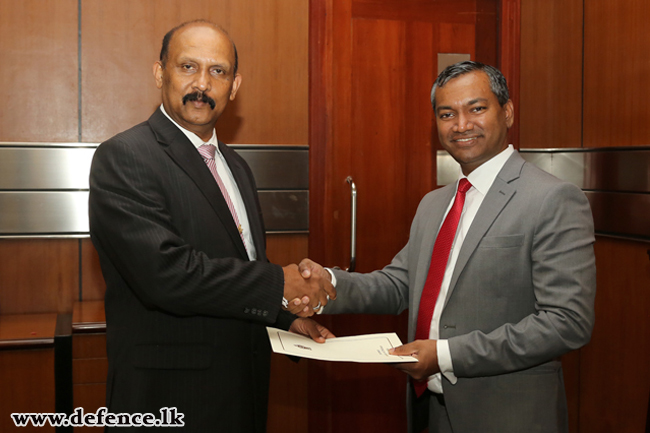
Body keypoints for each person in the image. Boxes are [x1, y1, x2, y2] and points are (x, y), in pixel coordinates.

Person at [300, 61, 596, 433]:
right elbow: (399, 285)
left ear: (507, 112)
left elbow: (567, 323)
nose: (461, 125)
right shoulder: (434, 204)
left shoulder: (552, 199)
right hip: (429, 410)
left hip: (508, 415)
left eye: (476, 108)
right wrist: (326, 282)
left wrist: (445, 354)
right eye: (446, 113)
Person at [89, 20, 334, 432]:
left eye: (217, 71)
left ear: (234, 86)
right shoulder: (124, 157)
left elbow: (242, 266)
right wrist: (279, 284)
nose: (202, 83)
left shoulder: (236, 167)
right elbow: (165, 275)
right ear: (159, 73)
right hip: (167, 398)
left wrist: (284, 316)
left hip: (242, 391)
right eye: (188, 67)